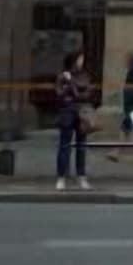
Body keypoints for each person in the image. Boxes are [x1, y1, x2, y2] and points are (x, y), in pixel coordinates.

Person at [54, 48, 95, 190]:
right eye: (80, 59)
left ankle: (81, 176)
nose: (82, 61)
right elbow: (59, 94)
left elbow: (86, 94)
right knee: (64, 146)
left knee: (81, 146)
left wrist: (71, 84)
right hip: (67, 113)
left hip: (81, 113)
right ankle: (61, 177)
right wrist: (72, 90)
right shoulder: (62, 76)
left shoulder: (84, 75)